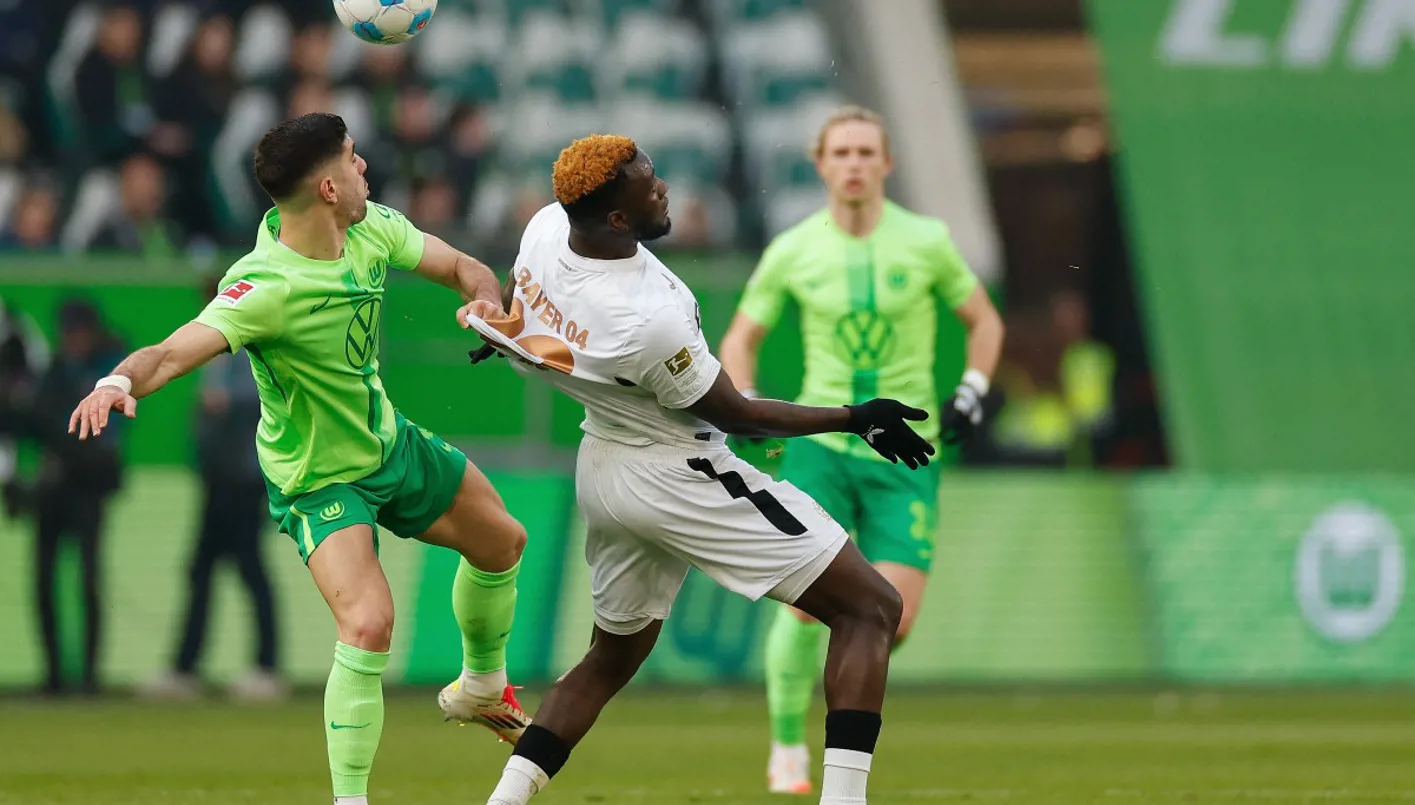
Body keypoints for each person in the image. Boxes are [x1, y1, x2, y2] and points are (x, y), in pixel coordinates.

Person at [68, 113, 531, 805]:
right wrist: (116, 381)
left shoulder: (372, 226)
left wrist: (487, 304)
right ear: (327, 187)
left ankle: (482, 687)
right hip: (317, 479)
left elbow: (463, 267)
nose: (364, 167)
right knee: (368, 622)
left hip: (388, 444)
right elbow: (167, 354)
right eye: (352, 158)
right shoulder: (263, 286)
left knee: (503, 542)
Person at [462, 134, 934, 805]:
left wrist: (510, 334)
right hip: (678, 473)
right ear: (616, 217)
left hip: (603, 468)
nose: (664, 189)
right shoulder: (645, 318)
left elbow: (522, 300)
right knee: (871, 607)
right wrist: (856, 416)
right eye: (648, 185)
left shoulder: (546, 226)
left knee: (608, 659)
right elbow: (738, 415)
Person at [717, 105, 1005, 794]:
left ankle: (832, 738)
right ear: (820, 164)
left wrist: (972, 389)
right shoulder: (793, 248)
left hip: (908, 455)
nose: (853, 164)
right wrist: (746, 400)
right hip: (821, 448)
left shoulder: (927, 240)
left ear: (886, 163)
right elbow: (740, 337)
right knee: (803, 605)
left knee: (890, 619)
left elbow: (984, 321)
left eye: (865, 152)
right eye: (841, 152)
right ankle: (789, 744)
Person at [140, 275, 285, 702]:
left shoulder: (248, 350)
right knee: (206, 571)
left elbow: (257, 406)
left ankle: (264, 667)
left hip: (243, 479)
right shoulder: (219, 358)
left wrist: (220, 413)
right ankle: (189, 667)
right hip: (220, 479)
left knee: (247, 570)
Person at [24, 299, 126, 695]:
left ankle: (88, 676)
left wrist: (62, 445)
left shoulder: (106, 372)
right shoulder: (58, 370)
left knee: (87, 581)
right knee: (45, 581)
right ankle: (54, 674)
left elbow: (99, 437)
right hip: (57, 491)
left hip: (86, 490)